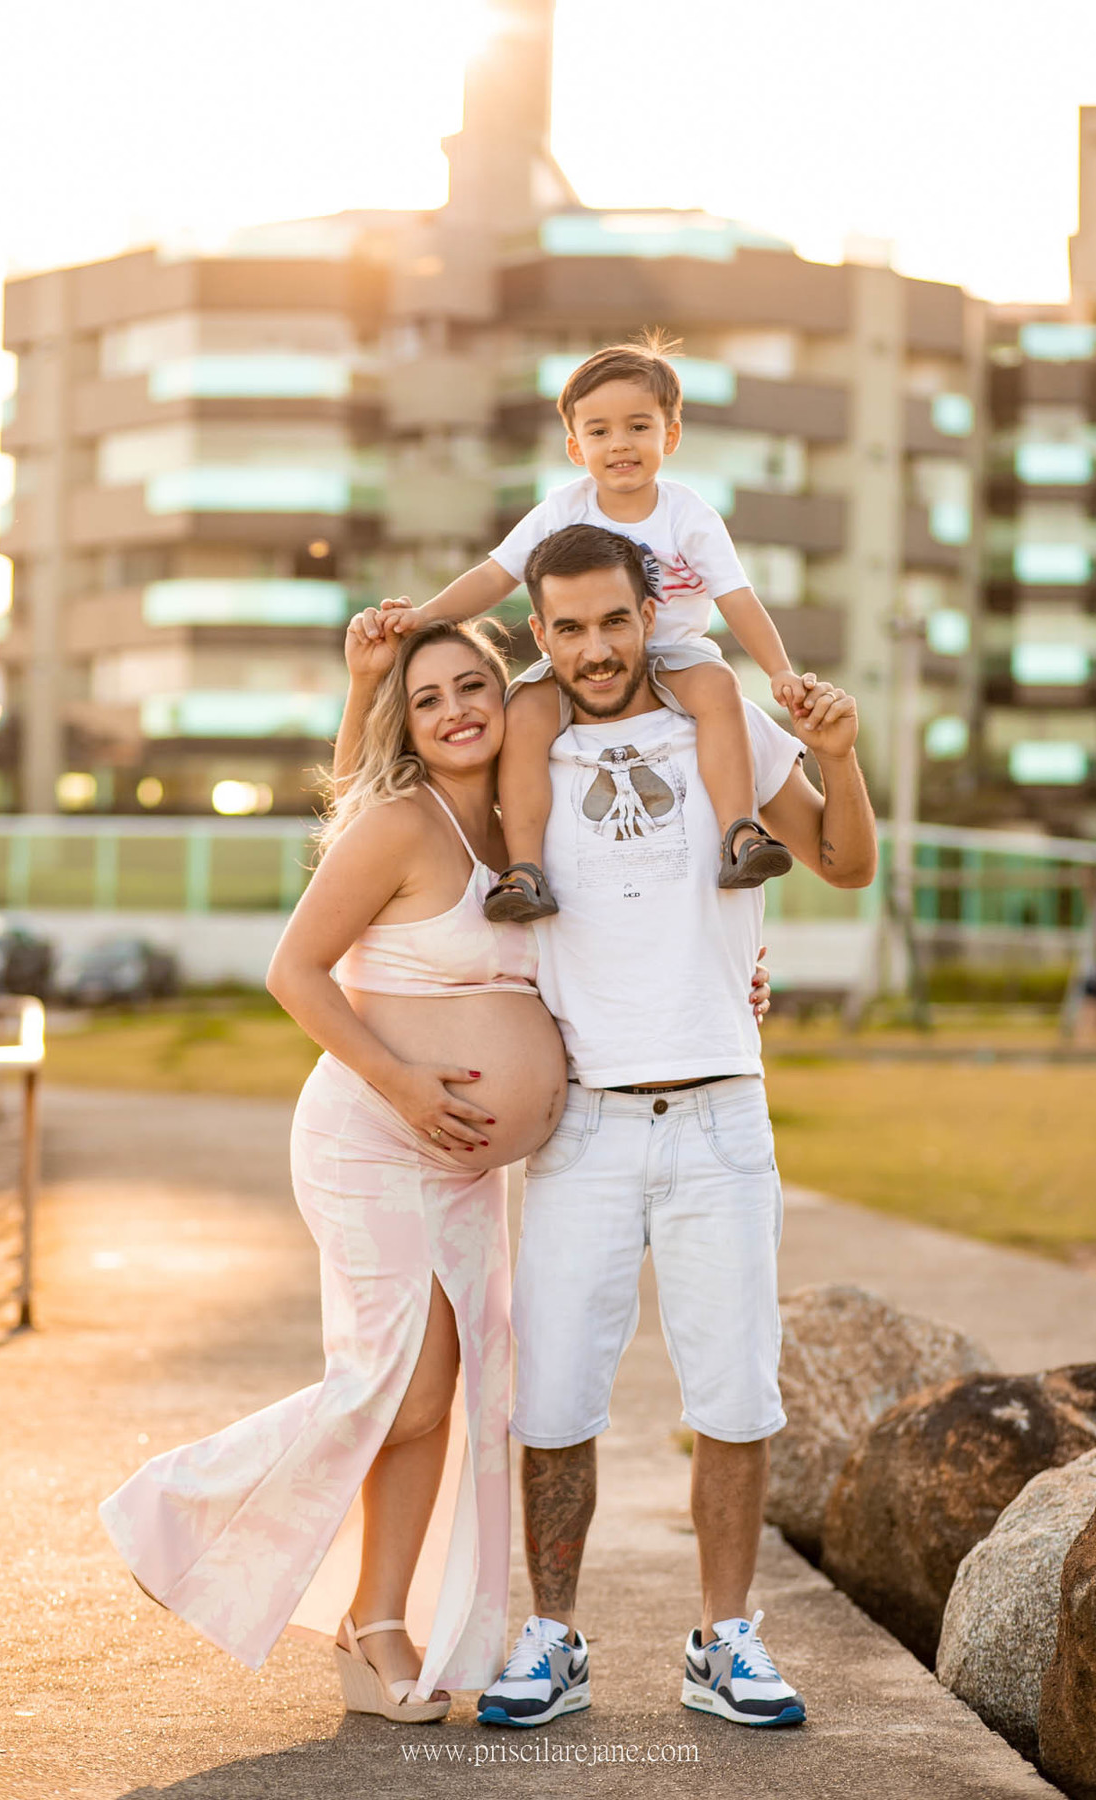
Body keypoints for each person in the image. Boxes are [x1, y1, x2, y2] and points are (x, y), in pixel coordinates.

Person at [367, 523, 875, 1731]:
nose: (596, 649)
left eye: (614, 620)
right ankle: (555, 1636)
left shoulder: (728, 724)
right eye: (569, 627)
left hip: (720, 1117)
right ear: (538, 634)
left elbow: (845, 864)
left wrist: (839, 761)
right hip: (584, 1128)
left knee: (736, 1400)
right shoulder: (518, 747)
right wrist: (363, 686)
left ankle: (726, 1636)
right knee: (552, 1407)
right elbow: (387, 821)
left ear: (652, 611)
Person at [99, 620, 570, 1723]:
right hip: (371, 1139)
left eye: (474, 687)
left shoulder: (523, 825)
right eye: (428, 699)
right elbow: (293, 972)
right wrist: (405, 1084)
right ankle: (176, 1514)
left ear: (505, 696)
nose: (456, 709)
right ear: (407, 725)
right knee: (391, 1386)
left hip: (461, 1171)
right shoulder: (398, 823)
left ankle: (380, 1626)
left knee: (442, 1398)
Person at [362, 332, 802, 921]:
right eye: (599, 431)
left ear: (669, 435)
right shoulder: (563, 508)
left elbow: (739, 599)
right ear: (576, 447)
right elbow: (494, 576)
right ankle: (524, 870)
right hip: (581, 661)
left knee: (720, 688)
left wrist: (778, 671)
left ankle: (740, 834)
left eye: (638, 427)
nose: (620, 444)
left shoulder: (688, 514)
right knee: (524, 710)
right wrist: (424, 615)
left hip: (670, 655)